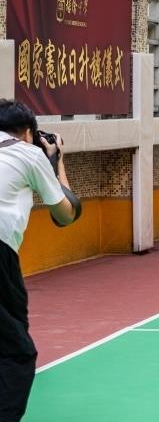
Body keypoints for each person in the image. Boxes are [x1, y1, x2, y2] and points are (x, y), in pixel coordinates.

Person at [0, 100, 80, 422]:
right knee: (16, 352)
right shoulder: (27, 153)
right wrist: (56, 162)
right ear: (26, 132)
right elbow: (66, 213)